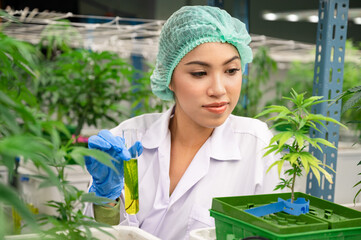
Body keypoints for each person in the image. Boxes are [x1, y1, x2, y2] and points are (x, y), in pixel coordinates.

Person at [83, 5, 280, 240]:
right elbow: (104, 231)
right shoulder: (130, 143)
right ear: (168, 78)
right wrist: (106, 200)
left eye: (231, 70)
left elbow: (273, 230)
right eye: (199, 73)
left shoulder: (256, 146)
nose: (219, 90)